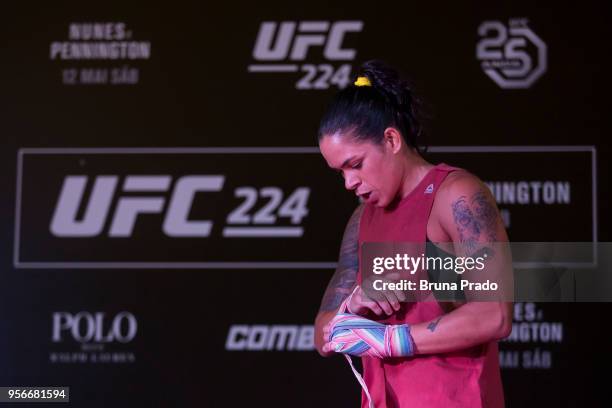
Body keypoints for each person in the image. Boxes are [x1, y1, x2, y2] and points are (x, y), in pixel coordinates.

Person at [314, 60, 513, 408]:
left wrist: (391, 340)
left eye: (355, 164)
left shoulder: (457, 195)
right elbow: (322, 334)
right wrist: (353, 306)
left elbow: (494, 313)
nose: (349, 183)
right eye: (339, 172)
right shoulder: (361, 219)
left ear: (391, 139)